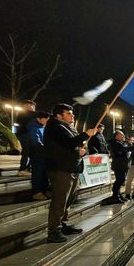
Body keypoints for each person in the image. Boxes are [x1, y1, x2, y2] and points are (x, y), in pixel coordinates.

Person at [44, 103, 97, 243]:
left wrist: (80, 150)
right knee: (60, 200)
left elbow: (72, 145)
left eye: (72, 113)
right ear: (58, 115)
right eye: (68, 113)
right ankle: (53, 230)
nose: (72, 115)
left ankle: (61, 224)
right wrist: (86, 134)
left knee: (69, 199)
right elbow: (67, 143)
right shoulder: (54, 126)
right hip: (61, 168)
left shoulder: (68, 127)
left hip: (72, 167)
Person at [27, 111, 50, 201]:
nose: (47, 122)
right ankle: (37, 192)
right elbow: (36, 143)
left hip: (44, 155)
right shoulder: (33, 128)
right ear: (38, 119)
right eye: (45, 120)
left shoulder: (42, 127)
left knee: (44, 174)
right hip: (37, 155)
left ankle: (44, 190)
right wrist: (46, 149)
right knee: (37, 173)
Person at [109, 130, 133, 203]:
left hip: (123, 165)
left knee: (121, 180)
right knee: (119, 180)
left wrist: (131, 146)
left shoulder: (121, 143)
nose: (123, 136)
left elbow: (126, 149)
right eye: (121, 135)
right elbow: (123, 150)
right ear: (117, 136)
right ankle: (115, 196)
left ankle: (118, 195)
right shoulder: (115, 143)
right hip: (119, 165)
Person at [15, 100, 37, 176]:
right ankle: (22, 169)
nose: (32, 107)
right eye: (29, 105)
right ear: (24, 106)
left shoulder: (29, 115)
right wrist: (18, 135)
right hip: (25, 136)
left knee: (33, 152)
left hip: (30, 136)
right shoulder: (24, 114)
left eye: (33, 106)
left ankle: (27, 168)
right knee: (26, 152)